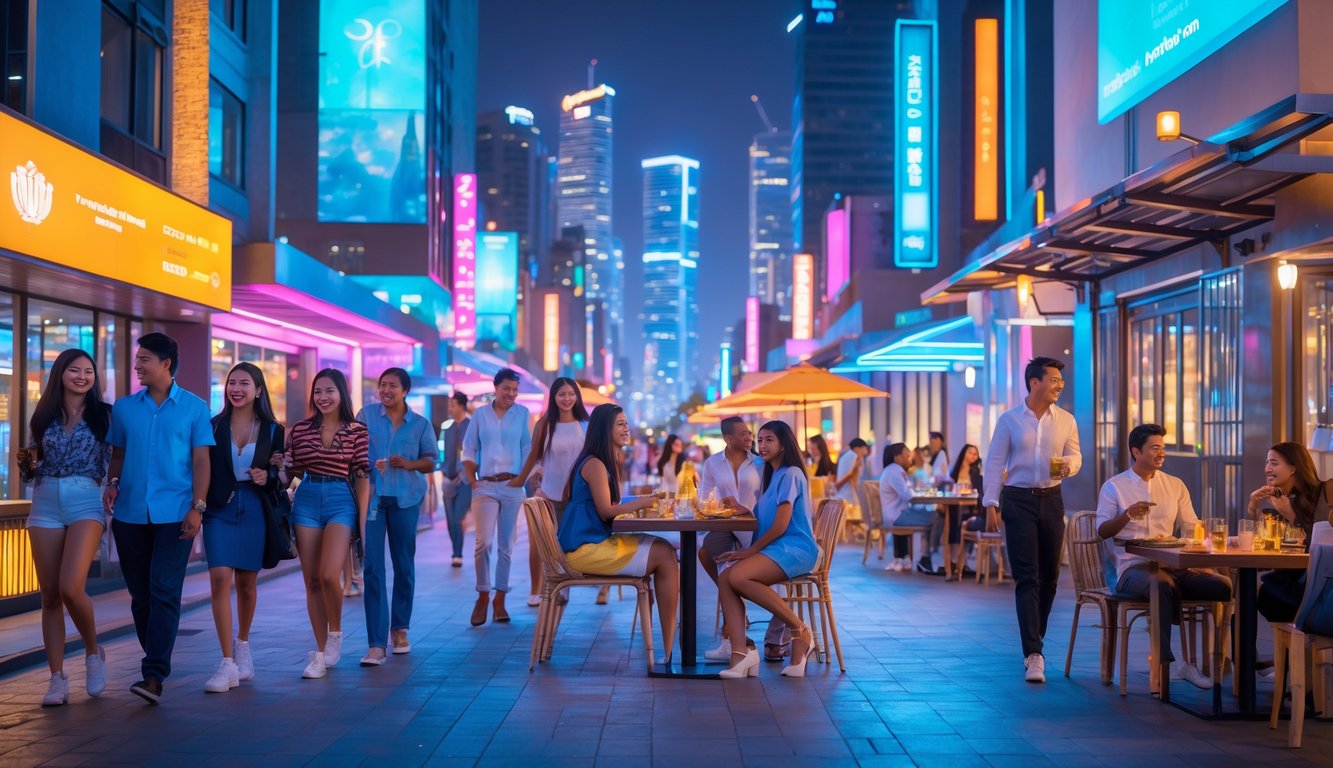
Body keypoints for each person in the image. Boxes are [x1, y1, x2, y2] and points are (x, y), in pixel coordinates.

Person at [103, 333, 214, 704]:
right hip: (131, 514)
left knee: (164, 591)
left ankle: (153, 675)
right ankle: (155, 659)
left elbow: (201, 461)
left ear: (166, 363)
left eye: (145, 359)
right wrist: (113, 482)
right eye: (138, 359)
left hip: (176, 514)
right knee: (140, 596)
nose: (137, 365)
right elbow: (118, 452)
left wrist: (198, 507)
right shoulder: (123, 408)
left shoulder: (196, 408)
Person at [1097, 424, 1230, 690]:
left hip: (1175, 566)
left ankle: (1229, 661)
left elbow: (1191, 526)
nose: (1161, 453)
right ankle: (1164, 662)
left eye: (1163, 448)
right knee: (1160, 585)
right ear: (1136, 452)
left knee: (1223, 585)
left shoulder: (1175, 485)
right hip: (1131, 569)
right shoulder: (1115, 487)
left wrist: (1202, 541)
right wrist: (1127, 515)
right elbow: (1102, 531)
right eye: (1155, 448)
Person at [20, 349, 112, 706]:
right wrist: (26, 466)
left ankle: (92, 652)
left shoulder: (105, 415)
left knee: (71, 587)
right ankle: (56, 678)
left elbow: (113, 459)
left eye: (88, 371)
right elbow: (32, 463)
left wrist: (115, 485)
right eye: (74, 370)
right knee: (50, 594)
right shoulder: (43, 415)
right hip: (45, 499)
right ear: (60, 374)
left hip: (86, 497)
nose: (82, 376)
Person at [982, 356, 1081, 683]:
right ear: (1034, 382)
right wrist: (991, 504)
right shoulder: (1010, 420)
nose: (1059, 385)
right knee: (1027, 576)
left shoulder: (1066, 419)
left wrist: (1068, 465)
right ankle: (1034, 653)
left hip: (1052, 499)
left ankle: (1034, 639)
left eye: (1060, 381)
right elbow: (995, 463)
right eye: (1053, 380)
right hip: (1019, 499)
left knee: (1050, 577)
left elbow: (1076, 455)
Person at [557, 404, 679, 659]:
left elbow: (611, 505)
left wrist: (637, 501)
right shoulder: (595, 465)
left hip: (591, 542)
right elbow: (605, 511)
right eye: (621, 424)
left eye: (626, 423)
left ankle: (667, 645)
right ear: (605, 429)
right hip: (584, 549)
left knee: (664, 549)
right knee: (665, 554)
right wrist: (644, 502)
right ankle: (668, 648)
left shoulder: (603, 462)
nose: (627, 429)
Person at [201, 362, 284, 693]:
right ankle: (226, 662)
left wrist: (271, 476)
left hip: (254, 507)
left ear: (258, 390)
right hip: (219, 507)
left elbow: (284, 474)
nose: (236, 388)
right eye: (231, 382)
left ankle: (243, 645)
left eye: (244, 383)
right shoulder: (212, 426)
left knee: (247, 583)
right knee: (220, 578)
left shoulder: (274, 430)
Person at [716, 420, 821, 679]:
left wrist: (748, 552)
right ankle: (741, 653)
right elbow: (769, 518)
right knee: (725, 577)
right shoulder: (772, 476)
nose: (761, 445)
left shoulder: (791, 473)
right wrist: (746, 510)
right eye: (760, 439)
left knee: (738, 575)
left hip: (796, 549)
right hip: (779, 548)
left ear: (784, 443)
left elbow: (781, 525)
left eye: (769, 440)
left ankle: (800, 630)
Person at [286, 368, 370, 679]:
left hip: (340, 499)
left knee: (328, 574)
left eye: (329, 391)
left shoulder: (357, 431)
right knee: (311, 580)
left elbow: (362, 477)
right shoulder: (300, 430)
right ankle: (319, 653)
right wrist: (276, 469)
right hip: (306, 497)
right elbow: (291, 472)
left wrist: (362, 522)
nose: (323, 397)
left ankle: (336, 633)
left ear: (342, 394)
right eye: (318, 391)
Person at [356, 368, 438, 666]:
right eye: (382, 385)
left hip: (406, 500)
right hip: (374, 500)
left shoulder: (420, 424)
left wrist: (409, 464)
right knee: (373, 567)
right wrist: (365, 465)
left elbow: (431, 462)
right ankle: (376, 643)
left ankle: (400, 629)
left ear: (405, 390)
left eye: (392, 386)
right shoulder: (364, 417)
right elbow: (352, 452)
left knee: (404, 566)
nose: (385, 390)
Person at [699, 417, 792, 661]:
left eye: (752, 434)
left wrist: (747, 511)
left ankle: (746, 636)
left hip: (760, 527)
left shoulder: (763, 463)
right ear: (728, 439)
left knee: (732, 573)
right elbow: (703, 499)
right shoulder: (712, 463)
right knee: (709, 554)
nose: (750, 439)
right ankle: (735, 633)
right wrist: (720, 508)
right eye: (744, 434)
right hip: (727, 525)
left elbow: (772, 500)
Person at [462, 368, 531, 626]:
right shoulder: (480, 414)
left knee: (507, 545)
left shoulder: (522, 414)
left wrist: (522, 479)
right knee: (483, 542)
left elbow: (528, 448)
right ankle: (482, 595)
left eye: (514, 389)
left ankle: (500, 598)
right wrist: (472, 480)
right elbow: (469, 448)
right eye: (506, 388)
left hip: (513, 485)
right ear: (495, 388)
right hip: (486, 486)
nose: (511, 394)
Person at [512, 377, 589, 608]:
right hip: (549, 494)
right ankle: (549, 586)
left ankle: (564, 585)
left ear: (577, 396)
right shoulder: (544, 424)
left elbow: (594, 458)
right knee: (546, 544)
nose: (567, 399)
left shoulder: (586, 424)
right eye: (561, 394)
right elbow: (534, 457)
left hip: (578, 495)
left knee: (569, 543)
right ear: (553, 398)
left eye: (571, 394)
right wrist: (530, 478)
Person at [1249, 442, 1331, 624]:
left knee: (1264, 593)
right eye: (1267, 463)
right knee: (1259, 591)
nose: (1266, 469)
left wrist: (1292, 517)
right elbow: (1263, 547)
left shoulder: (1325, 493)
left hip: (1321, 586)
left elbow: (1322, 545)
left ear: (1293, 468)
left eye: (1274, 463)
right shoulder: (1282, 502)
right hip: (1299, 579)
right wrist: (1253, 508)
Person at [879, 442, 934, 573]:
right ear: (897, 457)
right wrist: (913, 490)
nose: (910, 459)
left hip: (893, 514)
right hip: (898, 516)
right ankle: (926, 558)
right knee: (936, 517)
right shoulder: (895, 471)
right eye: (907, 456)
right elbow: (907, 495)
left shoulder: (890, 470)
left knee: (931, 515)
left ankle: (906, 559)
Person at [441, 392, 472, 567]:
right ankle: (456, 549)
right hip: (448, 479)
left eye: (452, 404)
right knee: (450, 519)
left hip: (465, 481)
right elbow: (444, 454)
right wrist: (443, 472)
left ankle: (457, 553)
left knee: (458, 517)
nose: (449, 408)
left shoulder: (472, 426)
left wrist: (465, 471)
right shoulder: (448, 428)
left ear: (461, 406)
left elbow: (476, 452)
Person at [951, 444, 986, 575]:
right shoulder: (954, 472)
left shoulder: (976, 473)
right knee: (944, 520)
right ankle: (952, 561)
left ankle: (961, 562)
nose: (973, 456)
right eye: (970, 452)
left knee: (963, 521)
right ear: (963, 453)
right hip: (954, 506)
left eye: (975, 454)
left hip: (971, 508)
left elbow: (979, 493)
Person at [833, 437, 870, 513]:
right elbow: (852, 478)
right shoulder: (853, 456)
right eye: (864, 448)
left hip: (844, 494)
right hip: (847, 495)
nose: (865, 452)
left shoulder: (846, 456)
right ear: (857, 448)